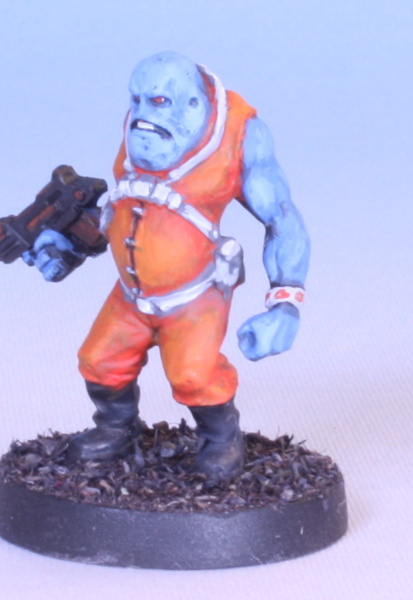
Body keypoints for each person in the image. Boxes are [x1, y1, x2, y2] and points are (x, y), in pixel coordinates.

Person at [24, 51, 310, 481]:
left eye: (159, 102)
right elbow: (121, 207)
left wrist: (285, 304)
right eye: (136, 99)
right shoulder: (140, 129)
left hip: (194, 294)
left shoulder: (238, 137)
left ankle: (221, 439)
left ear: (194, 104)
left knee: (194, 376)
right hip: (131, 293)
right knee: (99, 360)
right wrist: (66, 242)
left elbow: (283, 219)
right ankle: (116, 428)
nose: (142, 113)